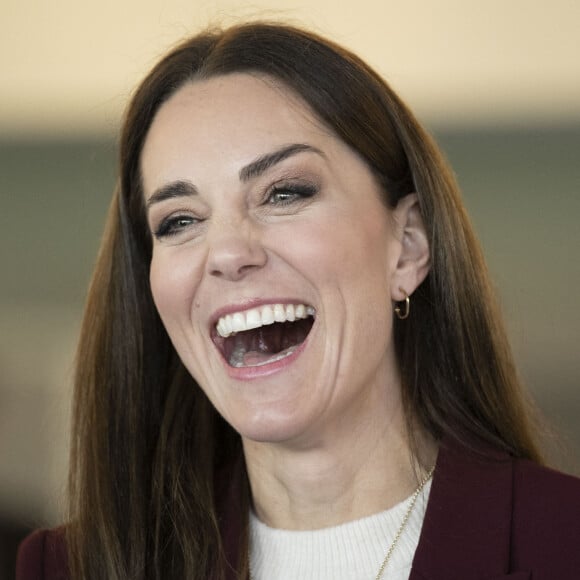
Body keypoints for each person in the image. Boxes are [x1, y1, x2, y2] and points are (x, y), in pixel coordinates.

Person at [16, 21, 580, 580]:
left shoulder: (564, 542)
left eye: (284, 192)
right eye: (180, 220)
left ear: (407, 247)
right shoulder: (65, 569)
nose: (229, 252)